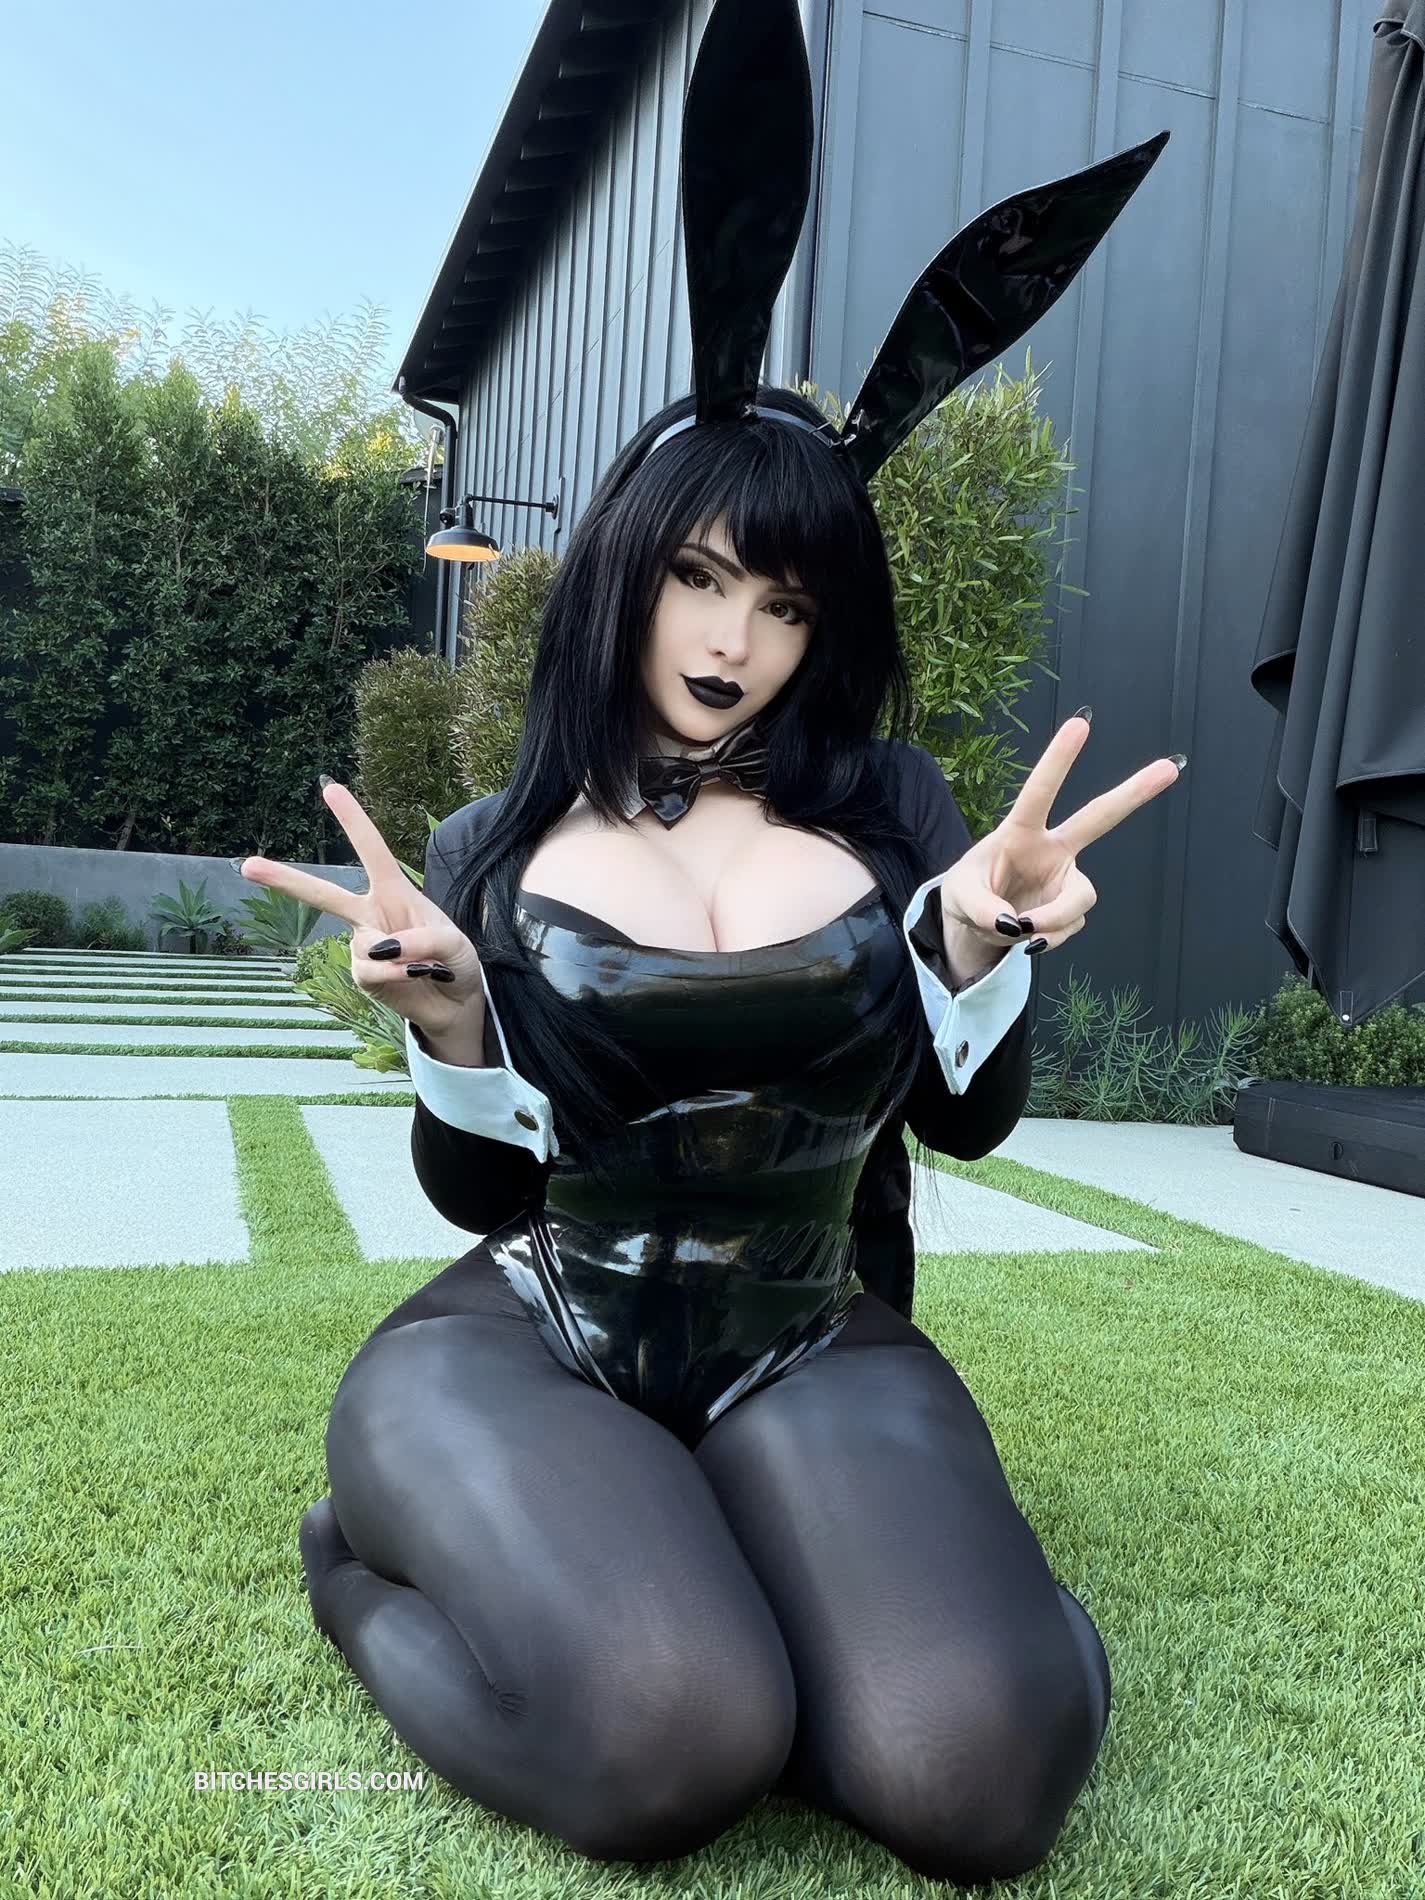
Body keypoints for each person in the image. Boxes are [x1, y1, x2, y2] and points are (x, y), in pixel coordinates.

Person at [237, 2, 1183, 1879]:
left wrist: (982, 944)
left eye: (786, 602)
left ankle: (800, 1556)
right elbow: (469, 1194)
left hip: (809, 1334)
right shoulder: (491, 843)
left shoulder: (896, 808)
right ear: (624, 567)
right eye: (695, 576)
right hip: (532, 1333)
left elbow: (970, 1125)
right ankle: (357, 1571)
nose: (733, 639)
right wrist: (451, 1025)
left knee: (977, 1782)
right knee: (669, 1744)